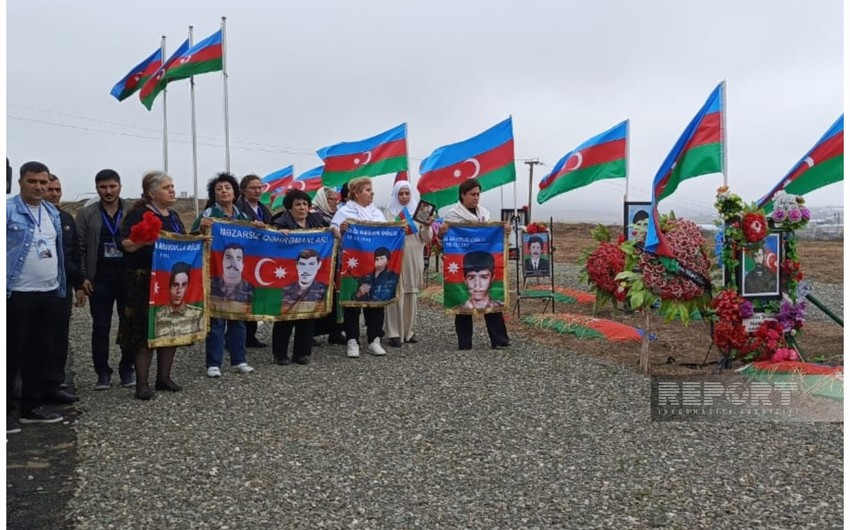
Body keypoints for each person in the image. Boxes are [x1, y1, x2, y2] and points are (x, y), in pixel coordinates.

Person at [7, 161, 67, 432]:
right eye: (33, 181)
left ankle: (30, 407)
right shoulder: (8, 211)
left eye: (43, 182)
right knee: (10, 354)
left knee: (39, 353)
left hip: (48, 292)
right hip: (16, 293)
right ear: (21, 181)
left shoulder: (51, 213)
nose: (39, 187)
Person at [119, 171, 187, 400]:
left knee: (170, 327)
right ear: (152, 193)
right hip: (144, 281)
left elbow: (183, 243)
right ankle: (142, 383)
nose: (172, 190)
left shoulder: (175, 216)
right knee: (143, 331)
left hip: (170, 280)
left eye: (172, 185)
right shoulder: (139, 214)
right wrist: (146, 242)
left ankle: (164, 377)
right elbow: (125, 244)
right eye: (167, 187)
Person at [75, 169, 136, 390]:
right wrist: (82, 278)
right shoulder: (86, 214)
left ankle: (127, 369)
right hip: (99, 278)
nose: (108, 191)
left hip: (127, 276)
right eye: (103, 187)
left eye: (112, 186)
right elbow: (80, 247)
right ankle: (102, 372)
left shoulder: (132, 209)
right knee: (100, 327)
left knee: (128, 325)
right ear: (96, 188)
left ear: (120, 186)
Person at [191, 172, 255, 378]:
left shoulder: (243, 217)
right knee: (217, 321)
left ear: (235, 192)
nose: (224, 191)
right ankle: (213, 363)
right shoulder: (208, 215)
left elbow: (254, 242)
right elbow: (192, 239)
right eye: (219, 189)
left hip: (239, 277)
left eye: (227, 188)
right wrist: (201, 229)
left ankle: (239, 359)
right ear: (214, 194)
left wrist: (260, 228)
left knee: (238, 318)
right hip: (215, 275)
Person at [438, 178, 511, 350]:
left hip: (485, 260)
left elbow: (493, 234)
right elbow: (444, 242)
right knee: (462, 299)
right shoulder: (452, 216)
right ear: (463, 195)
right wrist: (442, 234)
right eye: (472, 194)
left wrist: (505, 231)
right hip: (464, 263)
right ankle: (465, 342)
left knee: (491, 299)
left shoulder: (484, 213)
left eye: (478, 194)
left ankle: (499, 339)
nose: (476, 197)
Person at [271, 190, 332, 364]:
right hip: (289, 277)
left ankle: (302, 353)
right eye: (297, 204)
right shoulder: (280, 222)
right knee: (285, 316)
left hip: (311, 278)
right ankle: (280, 354)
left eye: (305, 204)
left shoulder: (316, 220)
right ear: (290, 207)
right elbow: (270, 240)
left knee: (308, 314)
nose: (302, 207)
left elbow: (329, 229)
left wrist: (334, 231)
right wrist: (278, 234)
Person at [331, 177, 389, 358]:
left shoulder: (377, 214)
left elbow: (386, 234)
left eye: (371, 190)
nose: (371, 193)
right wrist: (340, 230)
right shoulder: (344, 212)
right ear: (356, 193)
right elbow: (334, 233)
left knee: (375, 303)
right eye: (367, 190)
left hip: (374, 266)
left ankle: (374, 339)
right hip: (353, 265)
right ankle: (352, 340)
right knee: (352, 303)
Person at [45, 174, 84, 403]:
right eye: (50, 189)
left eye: (57, 189)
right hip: (34, 289)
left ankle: (56, 382)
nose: (54, 194)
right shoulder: (31, 218)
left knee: (59, 336)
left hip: (63, 287)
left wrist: (79, 284)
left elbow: (74, 254)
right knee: (36, 337)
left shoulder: (67, 218)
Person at [382, 180, 432, 347]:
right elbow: (383, 236)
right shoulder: (388, 213)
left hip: (413, 256)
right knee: (394, 294)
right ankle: (394, 333)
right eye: (401, 194)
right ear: (396, 195)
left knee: (410, 294)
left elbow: (426, 239)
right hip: (394, 257)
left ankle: (408, 332)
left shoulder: (419, 213)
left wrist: (426, 226)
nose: (404, 197)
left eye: (407, 193)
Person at [236, 174, 273, 348]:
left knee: (254, 298)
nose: (258, 190)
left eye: (260, 187)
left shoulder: (263, 209)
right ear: (243, 190)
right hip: (243, 258)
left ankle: (250, 335)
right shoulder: (238, 208)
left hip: (259, 258)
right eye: (253, 187)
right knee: (242, 297)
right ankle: (237, 337)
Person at [154, 261, 204, 339]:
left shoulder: (198, 315)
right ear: (169, 287)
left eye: (184, 285)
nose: (179, 290)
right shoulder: (158, 316)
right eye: (175, 285)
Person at [210, 242, 254, 308]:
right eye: (229, 257)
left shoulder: (251, 290)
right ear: (222, 261)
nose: (233, 263)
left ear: (242, 265)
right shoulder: (210, 285)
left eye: (238, 259)